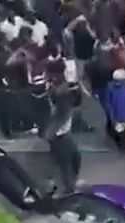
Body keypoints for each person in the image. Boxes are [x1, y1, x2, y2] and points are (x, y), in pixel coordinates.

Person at [43, 60, 82, 193]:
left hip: (63, 134)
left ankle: (55, 179)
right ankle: (69, 191)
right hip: (60, 136)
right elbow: (66, 105)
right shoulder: (59, 93)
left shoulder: (58, 88)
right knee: (67, 165)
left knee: (75, 157)